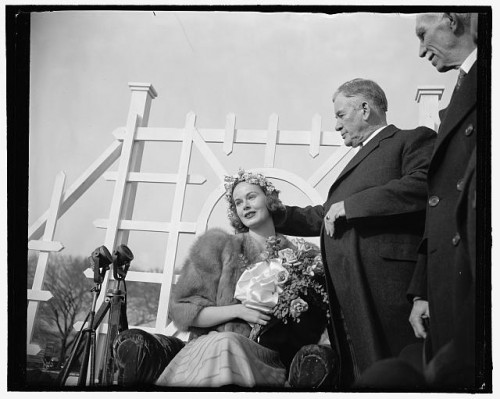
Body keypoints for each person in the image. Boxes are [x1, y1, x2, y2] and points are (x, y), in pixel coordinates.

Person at [275, 78, 436, 386]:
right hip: (347, 300)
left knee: (397, 380)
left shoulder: (412, 139)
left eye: (339, 114)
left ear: (365, 109)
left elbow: (424, 184)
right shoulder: (359, 159)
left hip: (388, 291)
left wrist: (351, 205)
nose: (336, 125)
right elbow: (324, 215)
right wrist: (276, 213)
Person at [152, 170, 329, 388]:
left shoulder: (302, 257)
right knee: (227, 342)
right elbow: (183, 312)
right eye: (238, 202)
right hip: (214, 350)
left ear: (270, 200)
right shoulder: (217, 246)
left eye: (251, 197)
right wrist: (238, 311)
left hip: (270, 359)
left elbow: (315, 326)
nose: (244, 205)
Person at [406, 12, 479, 389]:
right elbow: (440, 202)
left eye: (423, 34)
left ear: (452, 19)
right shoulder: (460, 90)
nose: (420, 51)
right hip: (446, 278)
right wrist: (424, 288)